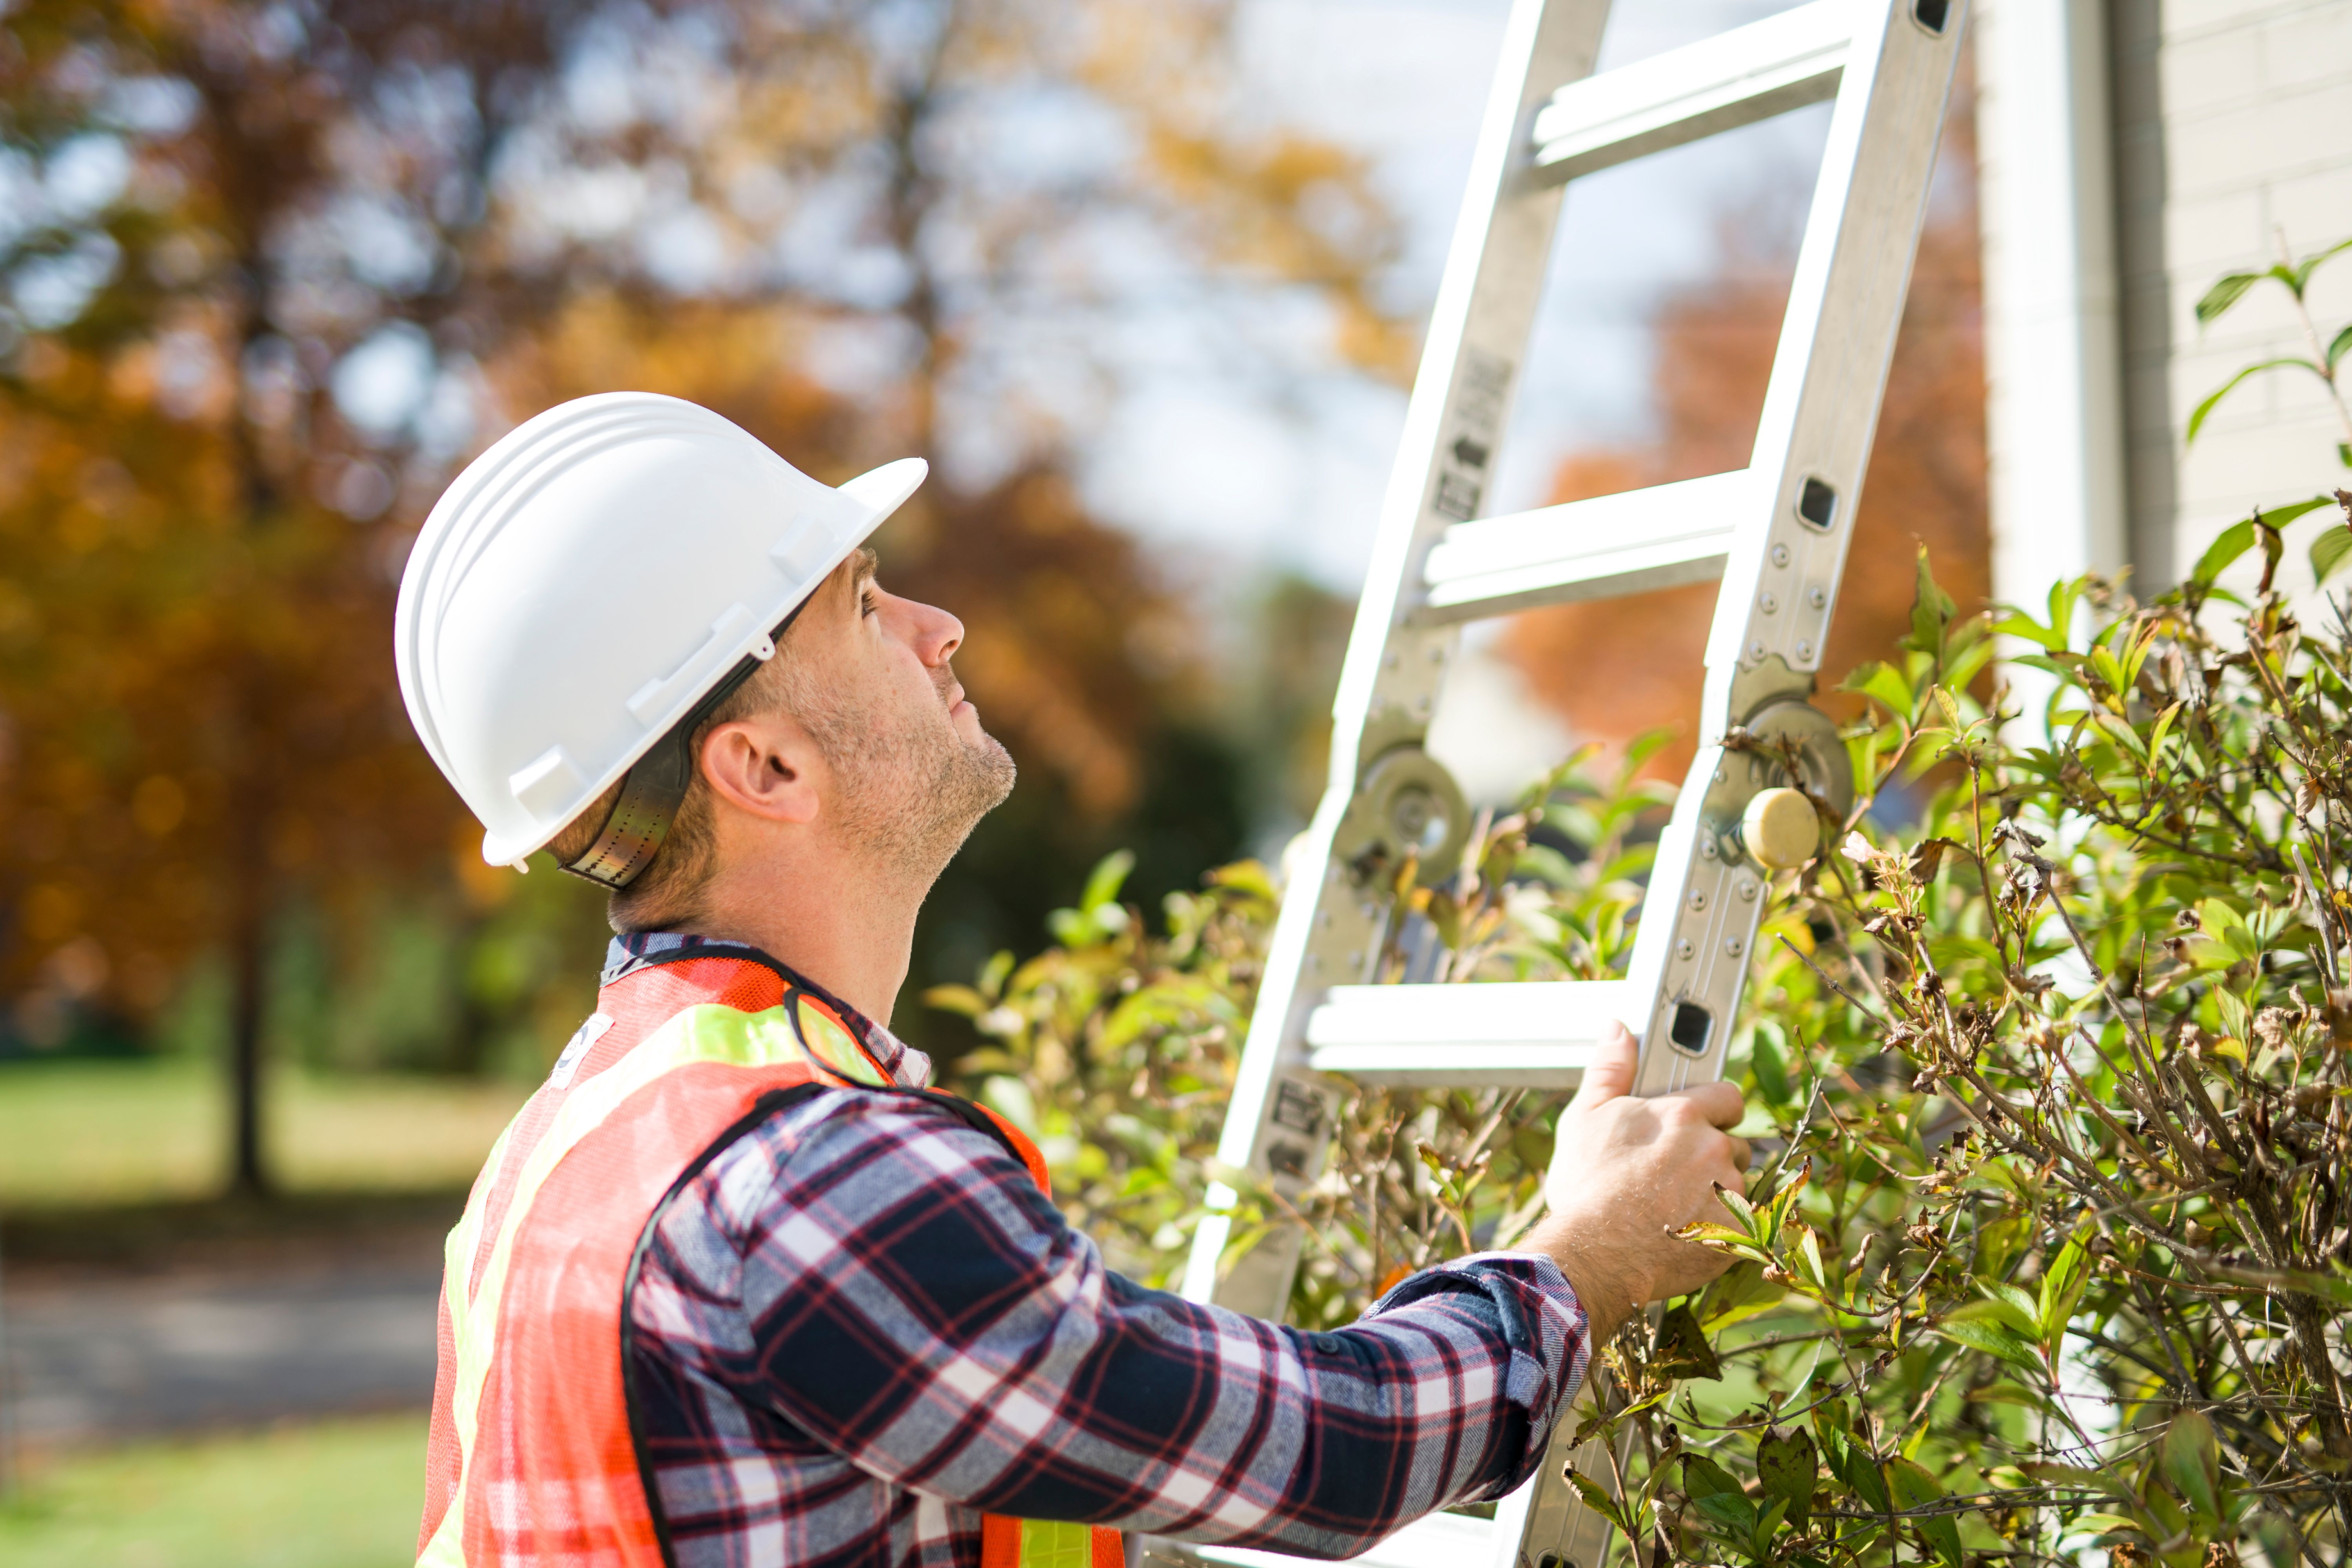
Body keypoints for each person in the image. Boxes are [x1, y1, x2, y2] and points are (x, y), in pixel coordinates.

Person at [396, 394, 1751, 1568]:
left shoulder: (575, 1145)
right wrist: (1585, 1259)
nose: (942, 625)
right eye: (863, 606)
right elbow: (1327, 1456)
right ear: (765, 769)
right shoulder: (807, 1179)